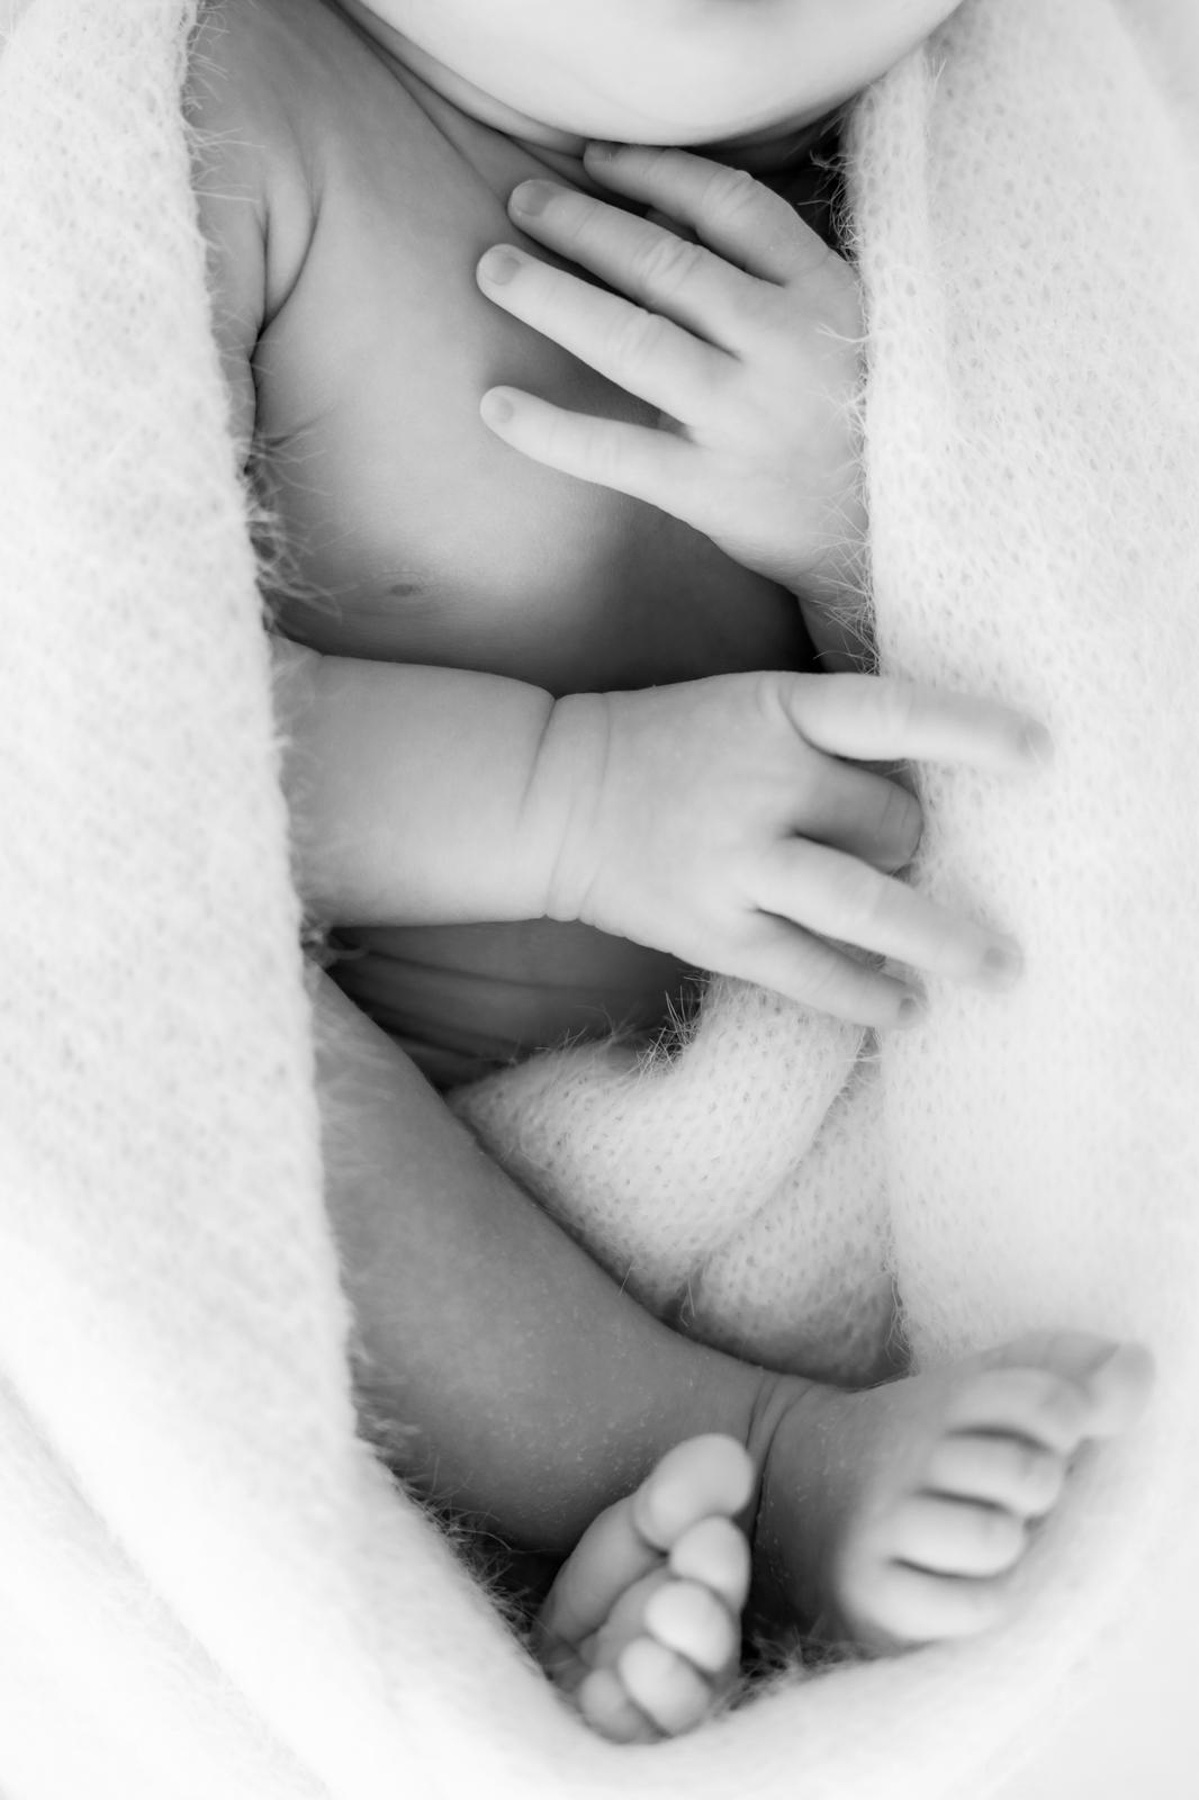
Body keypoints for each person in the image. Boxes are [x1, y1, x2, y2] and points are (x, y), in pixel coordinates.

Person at [186, 0, 1155, 1744]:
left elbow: (1063, 717)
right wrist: (570, 797)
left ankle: (630, 1579)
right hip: (390, 1160)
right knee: (182, 1052)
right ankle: (736, 1464)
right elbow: (87, 743)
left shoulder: (948, 174)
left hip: (824, 1149)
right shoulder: (230, 105)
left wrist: (878, 513)